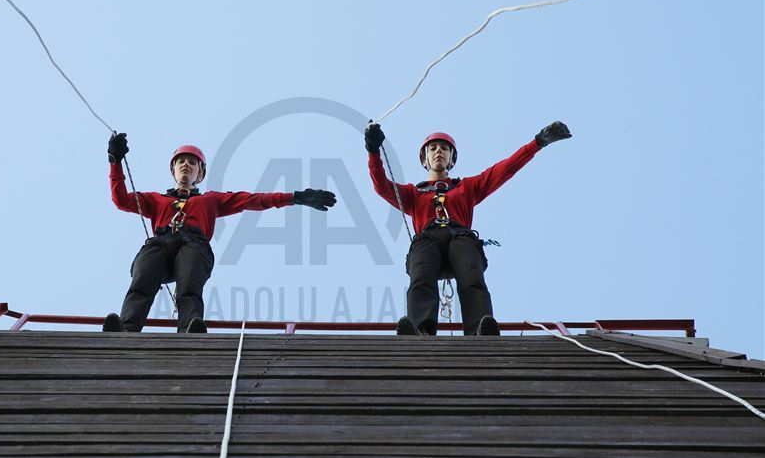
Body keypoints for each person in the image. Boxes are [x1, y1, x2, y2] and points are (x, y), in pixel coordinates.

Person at [104, 133, 336, 333]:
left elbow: (254, 200)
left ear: (200, 174)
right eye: (181, 162)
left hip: (192, 243)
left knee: (189, 286)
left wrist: (296, 197)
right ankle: (127, 328)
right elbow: (121, 199)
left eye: (192, 163)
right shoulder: (155, 199)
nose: (186, 165)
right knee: (143, 280)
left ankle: (189, 330)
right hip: (160, 243)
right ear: (172, 170)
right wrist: (115, 162)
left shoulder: (211, 200)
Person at [364, 121, 571, 336]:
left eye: (444, 149)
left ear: (451, 159)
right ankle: (420, 330)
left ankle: (480, 329)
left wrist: (538, 143)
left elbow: (504, 169)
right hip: (427, 240)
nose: (438, 152)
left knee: (471, 277)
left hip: (460, 238)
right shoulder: (413, 194)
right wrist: (373, 151)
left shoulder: (467, 187)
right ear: (425, 159)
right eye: (432, 148)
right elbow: (382, 185)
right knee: (421, 277)